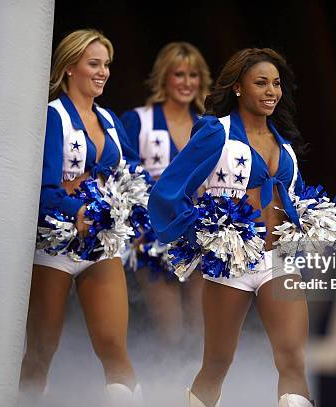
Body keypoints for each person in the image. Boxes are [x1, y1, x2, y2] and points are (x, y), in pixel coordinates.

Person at [149, 48, 315, 407]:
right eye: (261, 83)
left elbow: (296, 196)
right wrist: (203, 235)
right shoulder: (216, 132)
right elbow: (167, 191)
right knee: (217, 364)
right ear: (238, 87)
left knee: (293, 359)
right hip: (232, 264)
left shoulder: (284, 143)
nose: (271, 91)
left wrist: (304, 227)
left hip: (279, 259)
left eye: (276, 83)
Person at [20, 29, 143, 405]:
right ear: (70, 67)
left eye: (106, 64)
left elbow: (133, 175)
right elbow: (40, 188)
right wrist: (78, 211)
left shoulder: (109, 120)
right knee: (42, 350)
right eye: (94, 64)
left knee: (113, 347)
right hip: (53, 245)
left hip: (100, 245)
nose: (103, 72)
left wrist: (130, 209)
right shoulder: (52, 116)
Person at [121, 42, 211, 346]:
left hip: (197, 232)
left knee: (201, 332)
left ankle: (199, 392)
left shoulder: (209, 126)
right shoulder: (138, 121)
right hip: (151, 234)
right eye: (179, 74)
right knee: (170, 334)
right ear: (164, 77)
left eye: (193, 75)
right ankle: (168, 388)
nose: (187, 82)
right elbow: (123, 175)